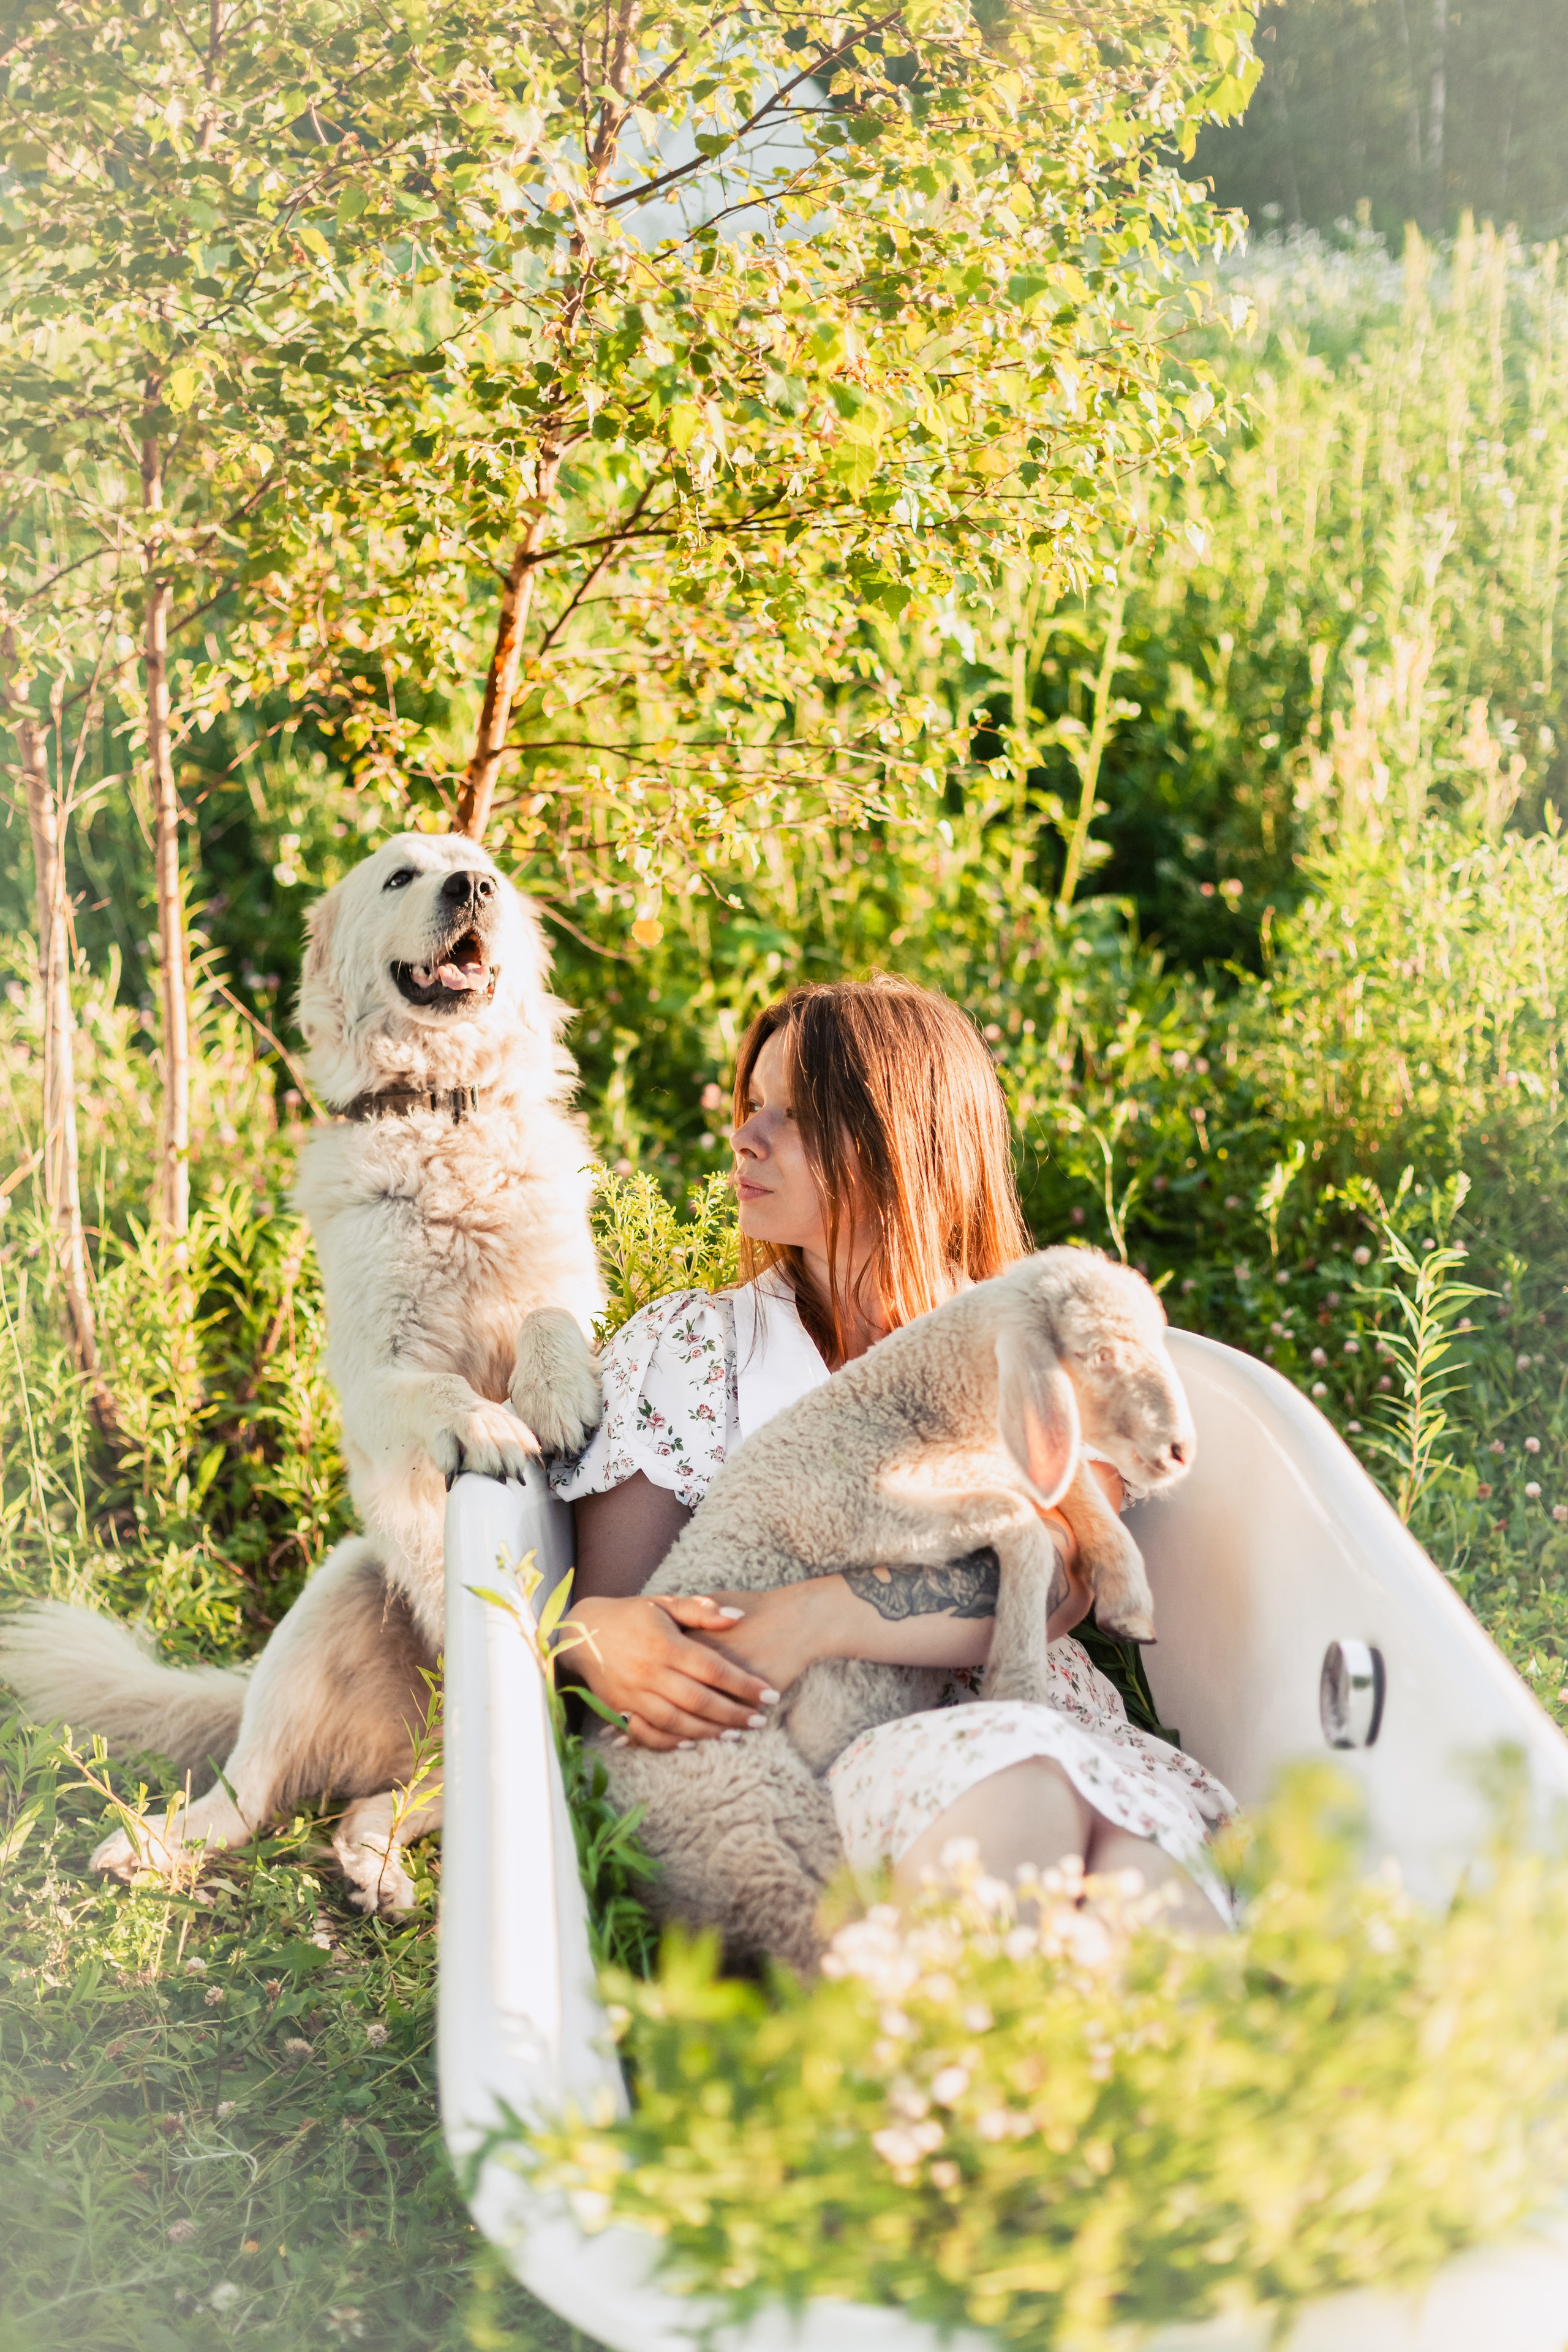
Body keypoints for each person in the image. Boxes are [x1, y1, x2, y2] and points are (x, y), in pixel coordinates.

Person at [554, 977, 1234, 1930]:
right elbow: (624, 1605)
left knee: (1157, 1898)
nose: (748, 1138)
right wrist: (589, 1635)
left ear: (900, 1142)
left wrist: (808, 1617)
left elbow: (1057, 1585)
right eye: (752, 1104)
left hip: (1037, 1714)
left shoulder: (1033, 1333)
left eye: (797, 1117)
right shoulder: (697, 1349)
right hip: (818, 1747)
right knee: (1023, 1794)